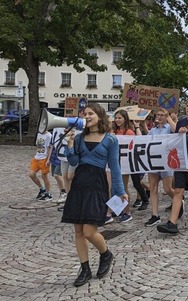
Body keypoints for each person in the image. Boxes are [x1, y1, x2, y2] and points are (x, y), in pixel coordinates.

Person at [61, 103, 126, 287]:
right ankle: (85, 268)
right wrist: (71, 145)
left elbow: (115, 167)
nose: (87, 116)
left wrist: (120, 191)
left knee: (90, 231)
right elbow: (73, 161)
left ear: (100, 116)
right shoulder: (80, 137)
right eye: (85, 114)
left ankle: (106, 254)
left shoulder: (110, 140)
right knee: (78, 231)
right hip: (80, 183)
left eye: (91, 113)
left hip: (97, 185)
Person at [157, 99, 188, 234]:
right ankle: (172, 222)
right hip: (181, 162)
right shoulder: (181, 122)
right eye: (187, 106)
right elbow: (175, 139)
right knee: (178, 190)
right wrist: (179, 132)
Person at [143, 109, 177, 227]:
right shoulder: (153, 130)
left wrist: (169, 118)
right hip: (154, 161)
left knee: (167, 189)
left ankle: (178, 200)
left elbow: (176, 130)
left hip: (166, 161)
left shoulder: (169, 128)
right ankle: (155, 215)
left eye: (162, 115)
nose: (160, 117)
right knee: (153, 188)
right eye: (158, 115)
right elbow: (144, 141)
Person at [30, 127, 53, 201]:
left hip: (44, 158)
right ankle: (42, 189)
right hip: (37, 157)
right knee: (32, 174)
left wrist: (48, 159)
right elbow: (38, 145)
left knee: (44, 176)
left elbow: (50, 147)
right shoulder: (39, 134)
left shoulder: (49, 135)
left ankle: (48, 193)